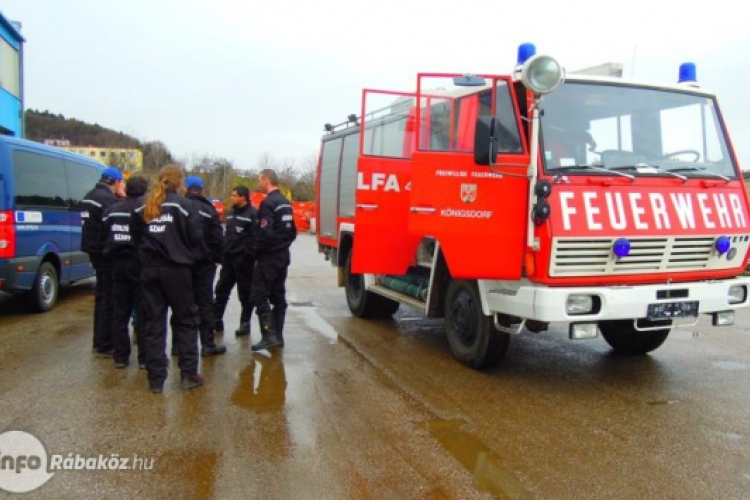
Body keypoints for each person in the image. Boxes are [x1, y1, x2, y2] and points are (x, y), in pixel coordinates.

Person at [131, 165, 204, 393]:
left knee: (153, 323)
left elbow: (135, 237)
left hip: (150, 270)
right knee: (186, 320)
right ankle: (188, 374)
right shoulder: (184, 206)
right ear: (180, 183)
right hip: (177, 270)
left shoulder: (142, 206)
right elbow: (196, 236)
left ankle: (155, 380)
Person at [102, 176, 149, 369]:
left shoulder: (111, 211)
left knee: (119, 313)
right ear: (144, 192)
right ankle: (144, 358)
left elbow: (102, 237)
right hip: (139, 266)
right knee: (144, 313)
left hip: (117, 265)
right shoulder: (144, 211)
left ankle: (120, 357)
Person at [250, 169, 297, 351]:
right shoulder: (285, 203)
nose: (259, 184)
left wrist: (257, 252)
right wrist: (282, 244)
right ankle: (278, 336)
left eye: (260, 180)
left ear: (266, 180)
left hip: (269, 257)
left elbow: (265, 234)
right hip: (283, 256)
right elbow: (293, 231)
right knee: (278, 295)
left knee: (258, 294)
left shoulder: (268, 203)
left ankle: (269, 335)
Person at [80, 167, 125, 356]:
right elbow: (112, 224)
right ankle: (104, 343)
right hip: (104, 252)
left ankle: (98, 340)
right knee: (108, 297)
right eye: (121, 183)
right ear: (115, 182)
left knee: (101, 296)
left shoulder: (89, 195)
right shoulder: (108, 200)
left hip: (91, 249)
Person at [184, 176, 227, 356]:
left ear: (186, 189)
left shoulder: (179, 206)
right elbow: (217, 238)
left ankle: (178, 346)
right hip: (204, 264)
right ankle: (207, 344)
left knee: (183, 303)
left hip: (182, 263)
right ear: (202, 191)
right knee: (205, 303)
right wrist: (218, 259)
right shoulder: (209, 210)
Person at [212, 186, 258, 336]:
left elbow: (255, 239)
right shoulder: (231, 214)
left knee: (244, 293)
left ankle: (245, 323)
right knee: (221, 290)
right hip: (228, 260)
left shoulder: (252, 214)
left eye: (234, 196)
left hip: (244, 261)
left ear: (243, 197)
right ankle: (216, 320)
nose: (231, 198)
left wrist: (247, 254)